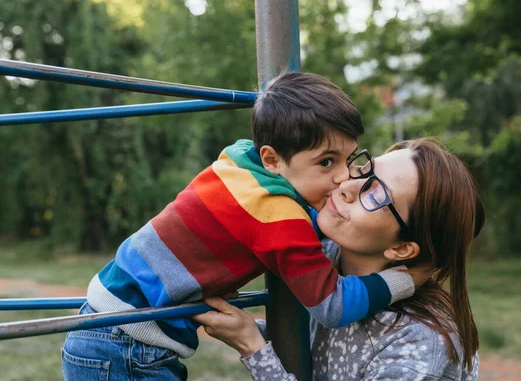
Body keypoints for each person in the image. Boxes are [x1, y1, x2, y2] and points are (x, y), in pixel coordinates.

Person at [62, 72, 421, 381]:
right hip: (129, 342)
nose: (343, 176)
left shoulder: (239, 161)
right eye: (326, 162)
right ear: (273, 159)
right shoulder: (278, 216)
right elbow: (334, 306)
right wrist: (408, 279)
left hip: (104, 325)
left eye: (349, 157)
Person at [195, 138, 485, 380]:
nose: (347, 185)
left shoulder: (416, 340)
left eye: (376, 195)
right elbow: (308, 341)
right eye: (364, 170)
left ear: (402, 250)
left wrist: (254, 348)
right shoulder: (321, 255)